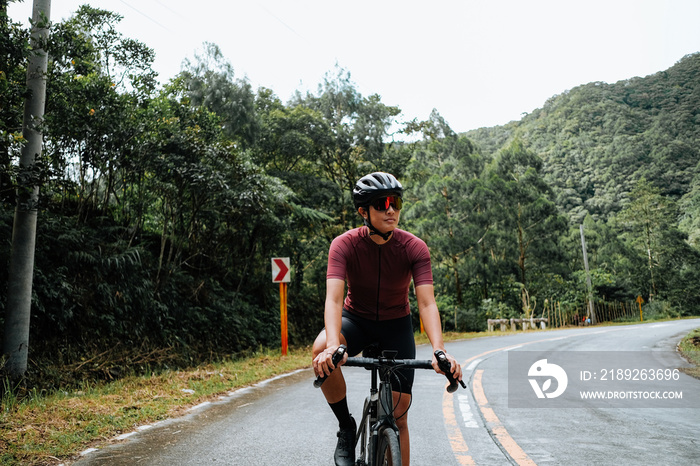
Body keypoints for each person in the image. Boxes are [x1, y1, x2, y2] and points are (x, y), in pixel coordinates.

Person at [312, 171, 463, 466]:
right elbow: (333, 298)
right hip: (356, 319)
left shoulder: (414, 248)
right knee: (319, 351)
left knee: (398, 415)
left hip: (396, 326)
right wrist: (333, 345)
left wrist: (439, 350)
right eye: (381, 204)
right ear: (363, 211)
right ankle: (346, 426)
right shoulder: (343, 245)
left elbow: (427, 303)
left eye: (395, 202)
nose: (390, 209)